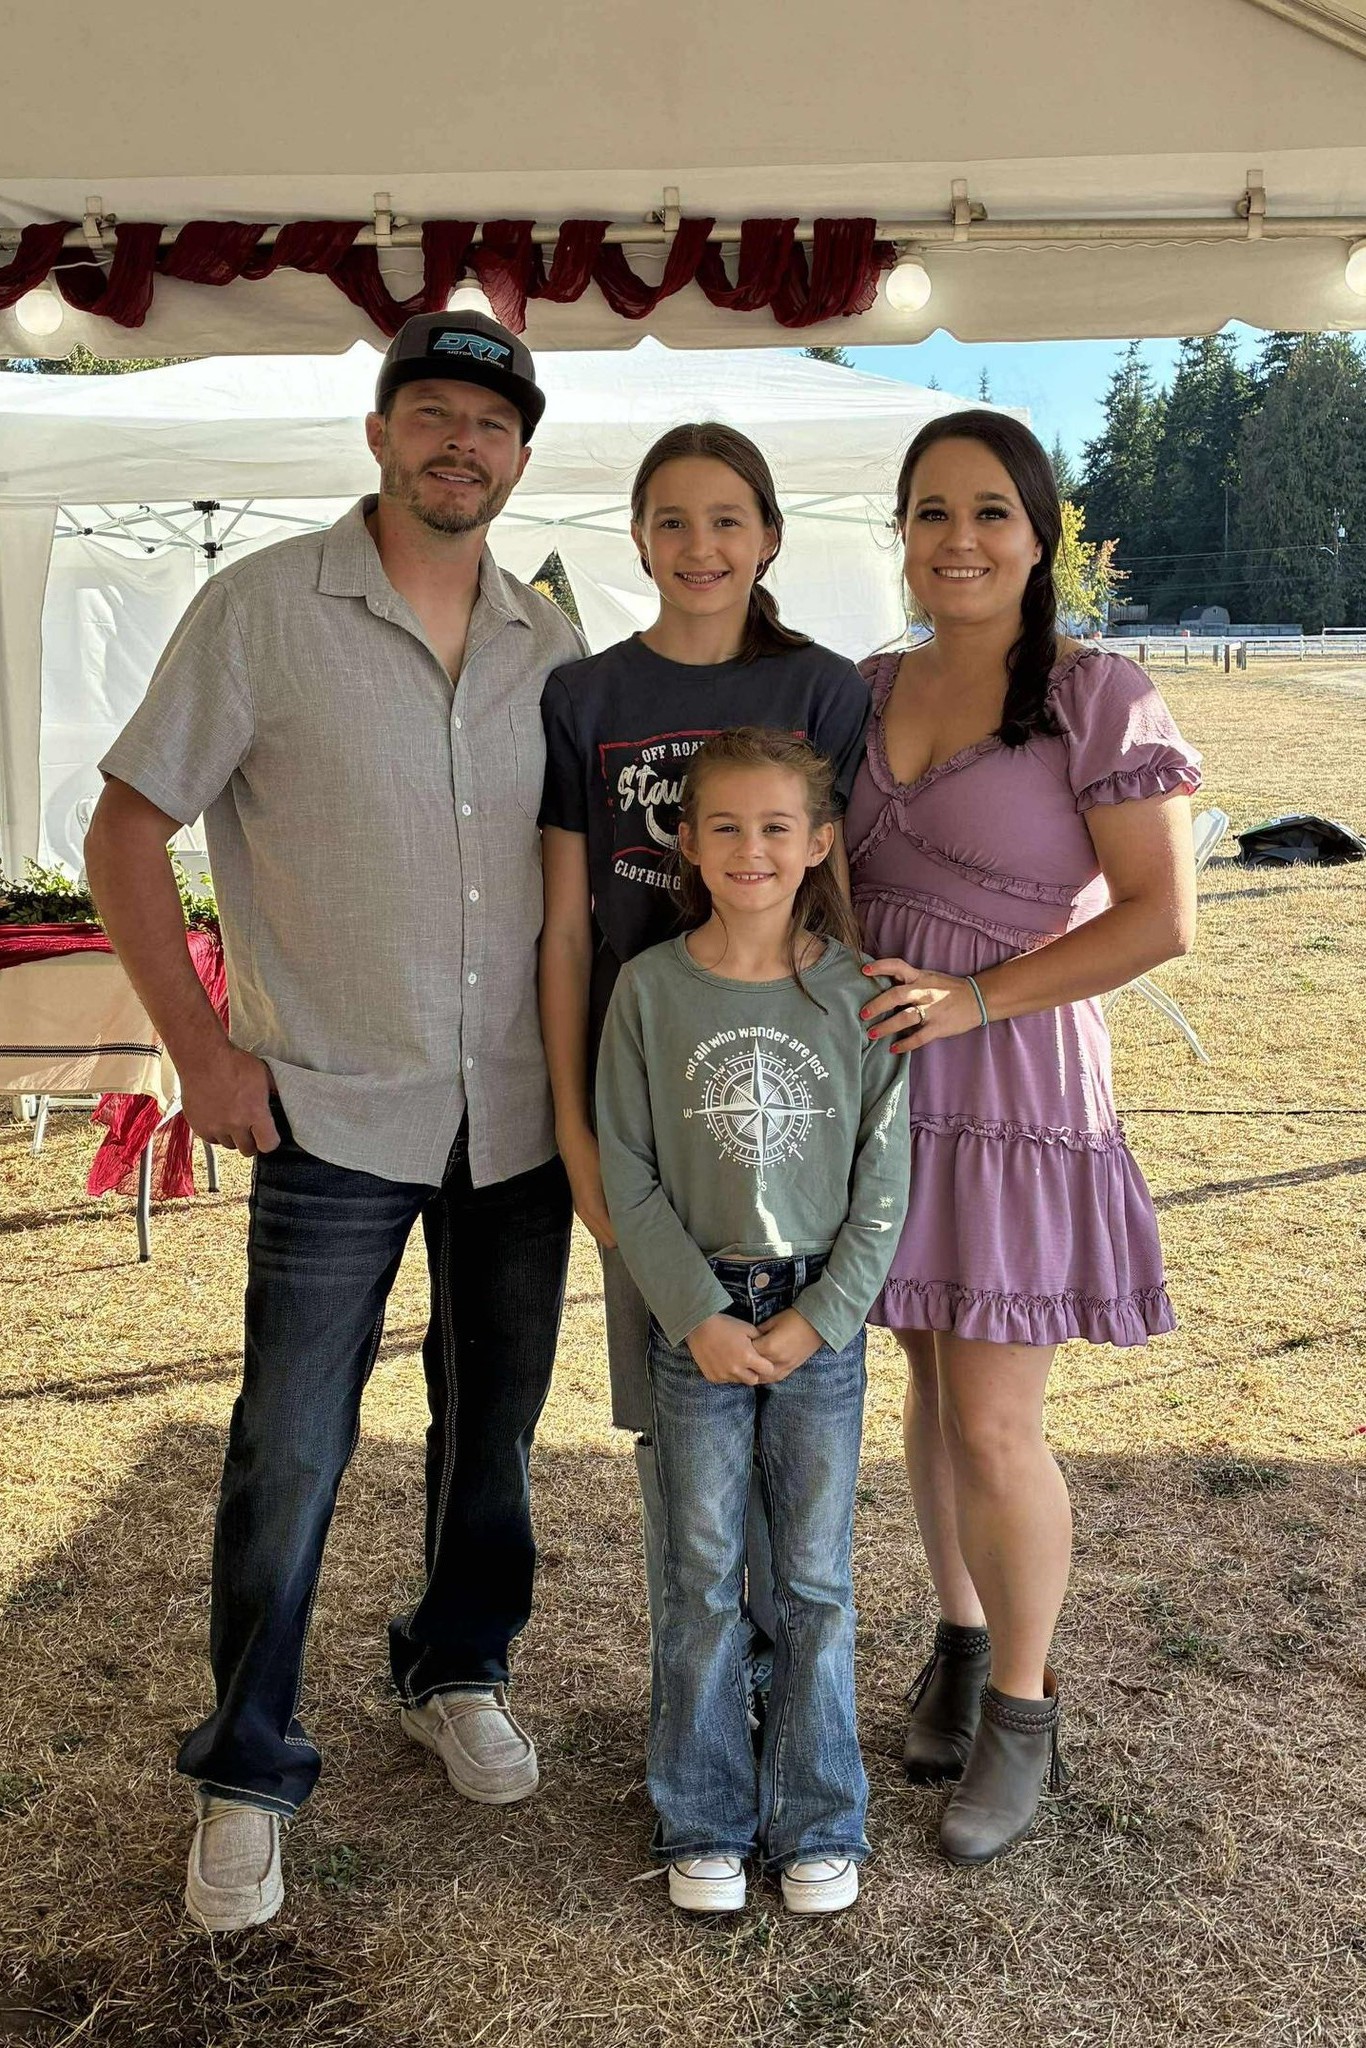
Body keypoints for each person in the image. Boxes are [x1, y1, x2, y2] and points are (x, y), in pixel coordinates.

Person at [83, 310, 586, 1933]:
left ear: (521, 456)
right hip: (326, 1108)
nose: (461, 445)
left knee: (493, 1423)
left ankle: (456, 1664)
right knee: (291, 1442)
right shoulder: (262, 610)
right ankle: (245, 1767)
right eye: (431, 414)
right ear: (378, 433)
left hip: (518, 1110)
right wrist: (198, 1048)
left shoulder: (550, 641)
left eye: (489, 426)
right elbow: (125, 829)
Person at [846, 411, 1201, 1866]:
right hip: (886, 1090)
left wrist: (975, 996)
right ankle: (957, 1636)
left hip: (1012, 1087)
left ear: (1040, 534)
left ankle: (1022, 1705)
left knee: (996, 1416)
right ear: (901, 535)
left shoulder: (1092, 693)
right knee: (929, 1384)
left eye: (990, 510)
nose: (959, 539)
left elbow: (1158, 918)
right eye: (930, 511)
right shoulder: (863, 687)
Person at [538, 423, 870, 1674]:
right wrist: (575, 1130)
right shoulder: (585, 697)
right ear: (634, 538)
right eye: (670, 520)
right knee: (675, 1415)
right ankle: (703, 1704)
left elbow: (846, 908)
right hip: (648, 1116)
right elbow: (566, 930)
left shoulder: (821, 691)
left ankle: (789, 1706)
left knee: (798, 1432)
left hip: (790, 1115)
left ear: (769, 536)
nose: (699, 545)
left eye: (727, 518)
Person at [595, 728, 909, 1916]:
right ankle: (704, 1815)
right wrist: (696, 1313)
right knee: (701, 1572)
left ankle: (818, 1816)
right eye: (723, 825)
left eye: (777, 826)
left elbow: (886, 1179)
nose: (750, 848)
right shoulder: (649, 989)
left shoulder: (860, 993)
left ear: (818, 840)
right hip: (701, 1321)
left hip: (819, 1317)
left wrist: (825, 1315)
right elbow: (626, 1171)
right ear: (686, 840)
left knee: (815, 1579)